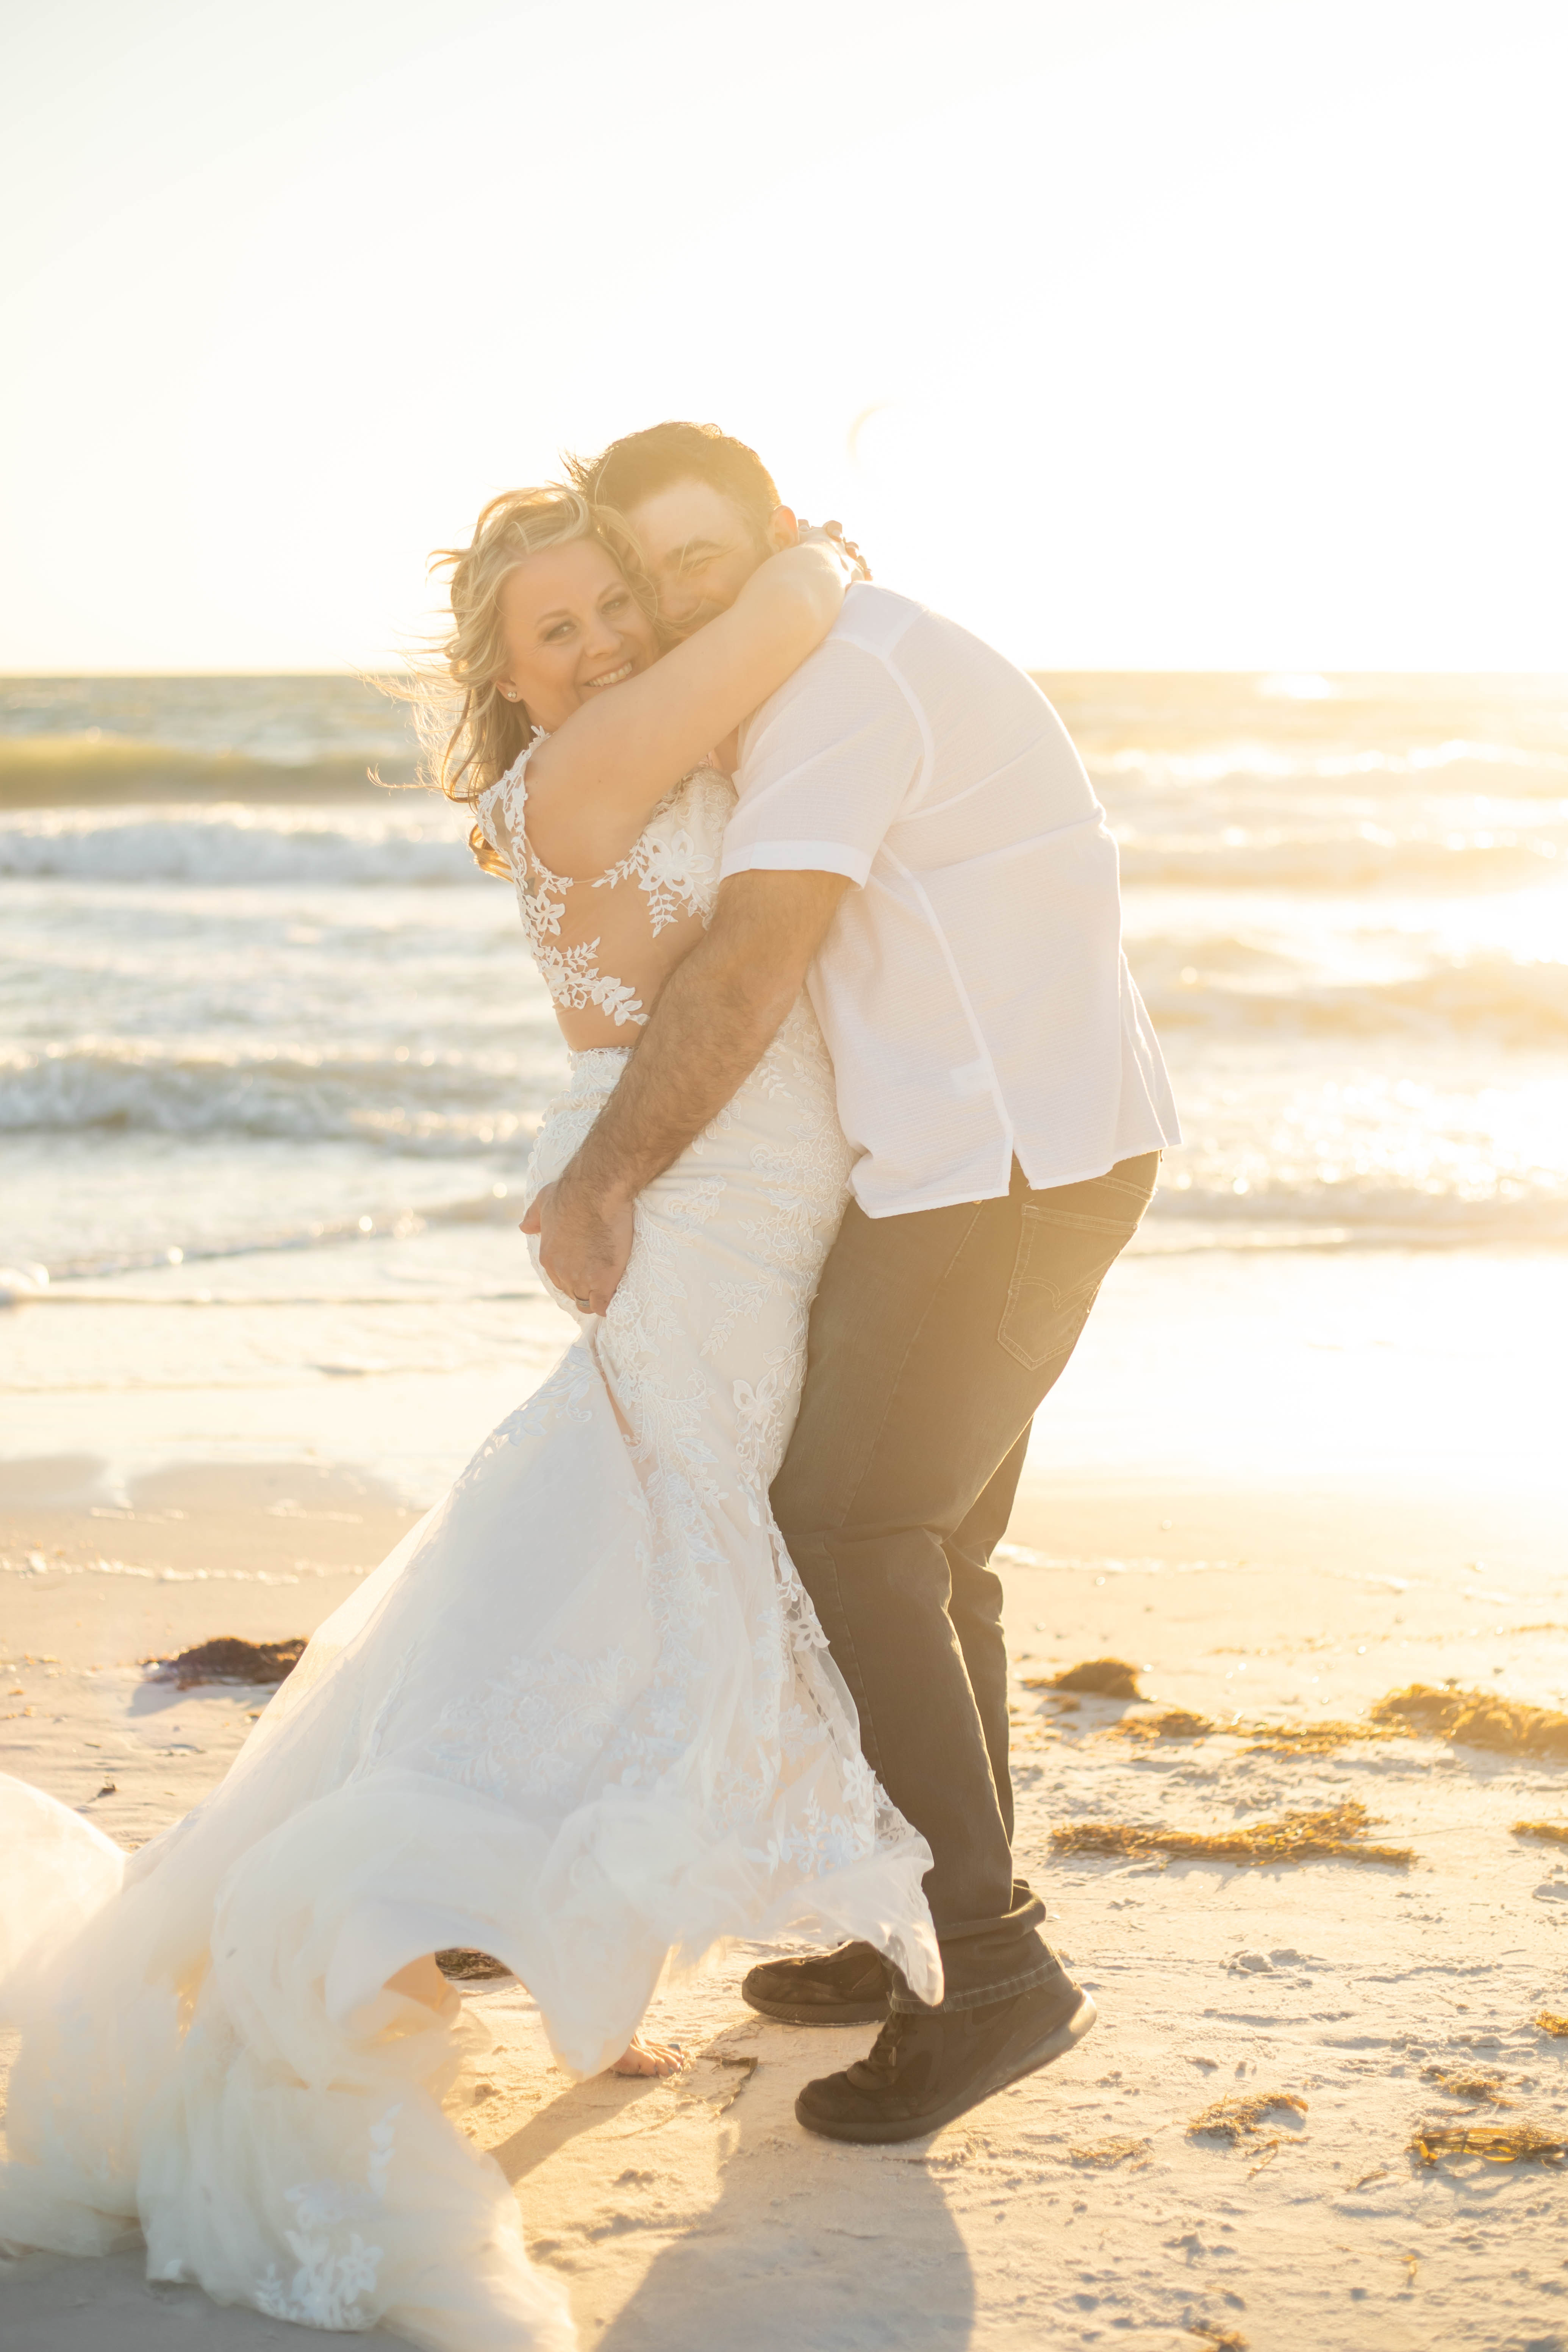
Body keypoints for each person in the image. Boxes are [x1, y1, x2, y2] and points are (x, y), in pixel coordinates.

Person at [0, 486, 940, 2352]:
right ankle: (389, 1940)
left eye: (612, 610)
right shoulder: (579, 781)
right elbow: (778, 625)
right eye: (555, 635)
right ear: (505, 690)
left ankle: (537, 1947)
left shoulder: (643, 751)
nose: (598, 647)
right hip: (690, 1229)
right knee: (596, 1605)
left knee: (592, 1601)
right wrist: (814, 554)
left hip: (738, 1220)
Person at [533, 421, 1181, 2146]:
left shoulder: (840, 689)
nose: (673, 598)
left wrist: (602, 1174)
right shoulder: (830, 656)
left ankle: (992, 1962)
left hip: (1012, 1174)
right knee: (928, 1549)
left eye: (699, 560)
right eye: (647, 569)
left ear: (773, 539)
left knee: (852, 1529)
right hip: (986, 1158)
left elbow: (752, 963)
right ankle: (921, 1926)